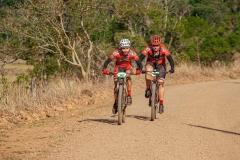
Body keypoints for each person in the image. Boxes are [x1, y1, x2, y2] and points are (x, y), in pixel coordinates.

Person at [102, 38, 143, 114]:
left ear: (129, 47)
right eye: (123, 48)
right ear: (121, 48)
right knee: (115, 84)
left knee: (128, 76)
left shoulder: (132, 53)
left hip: (127, 67)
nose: (125, 50)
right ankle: (115, 102)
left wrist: (139, 70)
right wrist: (104, 69)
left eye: (127, 48)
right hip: (118, 67)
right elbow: (107, 61)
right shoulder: (116, 52)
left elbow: (139, 63)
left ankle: (129, 95)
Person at [139, 35, 174, 114]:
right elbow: (140, 58)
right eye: (154, 45)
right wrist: (139, 68)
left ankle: (161, 104)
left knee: (161, 83)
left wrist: (172, 68)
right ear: (151, 44)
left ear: (159, 44)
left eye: (157, 45)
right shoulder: (148, 48)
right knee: (148, 71)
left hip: (161, 65)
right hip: (150, 63)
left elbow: (170, 59)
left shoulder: (163, 48)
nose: (155, 47)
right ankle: (148, 88)